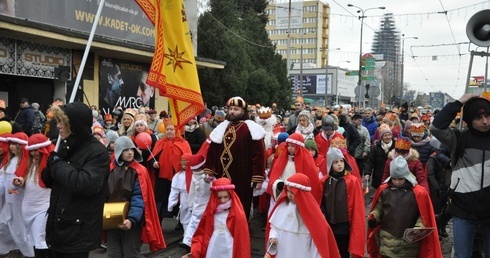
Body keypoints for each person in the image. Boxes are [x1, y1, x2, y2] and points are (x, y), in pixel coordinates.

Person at [41, 102, 110, 258]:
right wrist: (49, 167)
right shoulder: (66, 147)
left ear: (75, 124)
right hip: (59, 226)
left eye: (62, 122)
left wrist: (58, 164)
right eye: (57, 121)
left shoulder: (97, 152)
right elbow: (51, 182)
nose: (58, 126)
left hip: (77, 231)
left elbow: (82, 183)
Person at [430, 94, 490, 258]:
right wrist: (458, 103)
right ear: (469, 120)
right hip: (463, 210)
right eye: (478, 118)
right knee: (462, 255)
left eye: (487, 116)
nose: (485, 121)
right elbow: (436, 127)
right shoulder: (459, 138)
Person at [203, 96, 266, 220]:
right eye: (230, 109)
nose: (232, 111)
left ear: (243, 111)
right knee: (221, 205)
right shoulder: (222, 127)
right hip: (222, 175)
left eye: (236, 109)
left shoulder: (250, 128)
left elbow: (259, 155)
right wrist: (209, 170)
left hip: (243, 176)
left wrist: (257, 177)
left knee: (241, 205)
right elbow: (213, 151)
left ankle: (240, 231)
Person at [367, 156, 441, 258]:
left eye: (400, 179)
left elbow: (423, 215)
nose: (396, 182)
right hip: (387, 238)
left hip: (409, 242)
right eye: (394, 179)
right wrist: (374, 216)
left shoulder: (418, 193)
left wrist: (418, 228)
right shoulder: (384, 190)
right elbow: (379, 207)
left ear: (406, 176)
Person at [106, 136, 165, 256]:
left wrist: (132, 219)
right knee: (113, 254)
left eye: (131, 149)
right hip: (111, 219)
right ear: (118, 151)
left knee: (131, 253)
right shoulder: (110, 169)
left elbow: (139, 197)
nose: (130, 152)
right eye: (126, 150)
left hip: (131, 221)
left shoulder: (139, 170)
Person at [266, 173, 340, 258]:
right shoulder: (282, 207)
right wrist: (273, 237)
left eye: (292, 192)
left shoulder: (313, 214)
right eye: (288, 191)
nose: (289, 195)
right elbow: (274, 228)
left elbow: (318, 244)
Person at [185, 178, 250, 258]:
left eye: (226, 197)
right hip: (213, 246)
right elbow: (202, 233)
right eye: (219, 197)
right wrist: (194, 252)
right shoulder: (211, 212)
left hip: (229, 246)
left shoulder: (237, 213)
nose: (223, 200)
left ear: (230, 195)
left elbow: (242, 239)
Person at [12, 134, 53, 258]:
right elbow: (19, 182)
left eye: (37, 150)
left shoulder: (50, 165)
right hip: (28, 207)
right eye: (32, 151)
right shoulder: (30, 164)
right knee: (33, 239)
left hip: (43, 207)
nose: (34, 154)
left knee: (39, 237)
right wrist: (18, 181)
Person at [320, 148, 366, 258]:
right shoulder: (324, 181)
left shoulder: (352, 181)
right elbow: (321, 201)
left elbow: (357, 205)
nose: (339, 164)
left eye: (341, 161)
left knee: (343, 251)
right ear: (330, 164)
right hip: (330, 223)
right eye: (335, 162)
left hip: (345, 224)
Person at [0, 132, 34, 257]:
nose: (11, 147)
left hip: (19, 203)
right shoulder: (10, 162)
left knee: (20, 231)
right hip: (9, 203)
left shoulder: (27, 163)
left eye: (14, 144)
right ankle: (7, 249)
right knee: (3, 226)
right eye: (10, 144)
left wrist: (14, 189)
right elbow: (3, 182)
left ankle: (30, 253)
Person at [151, 122, 192, 220]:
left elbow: (188, 159)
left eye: (171, 129)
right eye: (167, 129)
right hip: (162, 177)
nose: (169, 131)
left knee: (181, 199)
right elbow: (153, 156)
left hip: (178, 176)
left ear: (176, 131)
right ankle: (159, 222)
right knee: (160, 199)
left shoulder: (183, 143)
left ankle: (182, 223)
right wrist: (154, 163)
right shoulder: (160, 142)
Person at [181, 154, 212, 251]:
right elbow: (192, 192)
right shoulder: (195, 177)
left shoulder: (209, 177)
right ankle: (187, 242)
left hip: (206, 204)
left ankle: (198, 243)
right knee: (193, 223)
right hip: (197, 204)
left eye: (197, 170)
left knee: (201, 224)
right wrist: (190, 205)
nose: (195, 172)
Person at [168, 153, 192, 234]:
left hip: (194, 197)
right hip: (184, 197)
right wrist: (171, 203)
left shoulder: (195, 175)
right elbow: (174, 191)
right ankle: (186, 235)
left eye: (186, 164)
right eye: (183, 164)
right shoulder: (178, 176)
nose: (184, 166)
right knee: (184, 214)